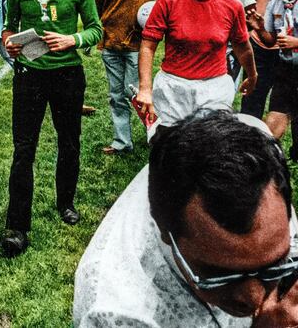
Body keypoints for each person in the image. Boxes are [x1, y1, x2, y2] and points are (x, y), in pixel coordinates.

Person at [74, 110, 298, 327]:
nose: (254, 298)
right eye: (220, 276)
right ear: (164, 231)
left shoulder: (255, 149)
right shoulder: (115, 313)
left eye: (273, 265)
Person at [0, 0, 102, 257]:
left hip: (67, 75)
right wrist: (9, 44)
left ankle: (66, 202)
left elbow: (96, 30)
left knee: (69, 142)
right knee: (23, 149)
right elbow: (8, 28)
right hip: (29, 74)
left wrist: (72, 39)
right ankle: (17, 226)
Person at [137, 0, 257, 135]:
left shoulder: (232, 5)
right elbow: (148, 46)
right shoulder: (168, 0)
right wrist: (145, 88)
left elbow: (242, 46)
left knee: (210, 147)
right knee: (171, 145)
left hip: (214, 87)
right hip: (173, 87)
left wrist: (252, 75)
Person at [94, 0, 173, 155]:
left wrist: (152, 15)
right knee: (116, 95)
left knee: (137, 94)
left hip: (138, 43)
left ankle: (160, 138)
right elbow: (98, 3)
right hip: (111, 41)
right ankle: (122, 142)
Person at [247, 0, 298, 143]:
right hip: (285, 70)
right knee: (274, 122)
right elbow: (270, 41)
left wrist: (296, 42)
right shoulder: (275, 2)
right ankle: (267, 161)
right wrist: (258, 27)